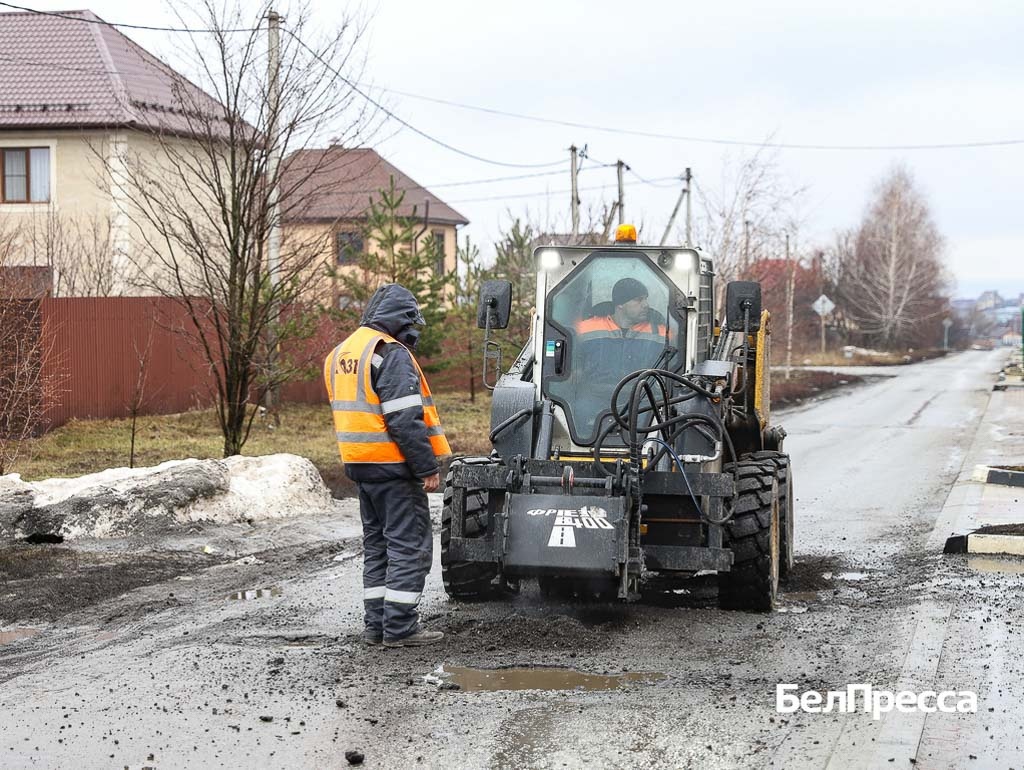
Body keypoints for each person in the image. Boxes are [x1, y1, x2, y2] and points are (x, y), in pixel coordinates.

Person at [323, 284, 451, 648]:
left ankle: (375, 626)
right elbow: (404, 419)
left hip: (361, 467)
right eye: (412, 322)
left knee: (378, 546)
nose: (415, 331)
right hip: (393, 467)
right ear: (400, 320)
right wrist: (426, 467)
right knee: (409, 546)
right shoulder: (389, 352)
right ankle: (400, 628)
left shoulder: (342, 352)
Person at [572, 277, 670, 433]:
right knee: (577, 412)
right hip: (596, 396)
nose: (646, 305)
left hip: (643, 397)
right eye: (639, 300)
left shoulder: (661, 331)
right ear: (620, 304)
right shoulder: (585, 328)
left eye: (646, 299)